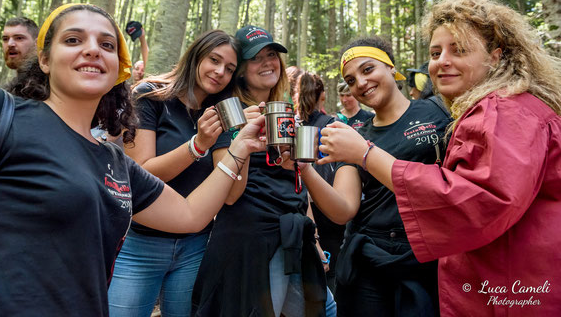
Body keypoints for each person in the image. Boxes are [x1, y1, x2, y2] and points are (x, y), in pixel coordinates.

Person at [0, 4, 267, 316]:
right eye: (73, 40)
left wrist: (240, 146)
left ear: (117, 66)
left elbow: (190, 215)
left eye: (106, 45)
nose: (93, 50)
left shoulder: (115, 163)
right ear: (44, 59)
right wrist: (197, 145)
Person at [317, 0, 561, 315]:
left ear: (496, 57)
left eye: (458, 49)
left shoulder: (501, 111)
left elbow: (475, 202)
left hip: (506, 283)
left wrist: (366, 155)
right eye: (435, 52)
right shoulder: (484, 110)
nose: (442, 61)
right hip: (401, 263)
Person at [282, 37, 451, 316]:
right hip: (371, 261)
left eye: (368, 69)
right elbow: (343, 210)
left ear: (390, 66)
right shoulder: (356, 135)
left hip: (429, 256)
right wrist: (305, 169)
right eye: (350, 80)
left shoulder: (439, 111)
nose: (359, 83)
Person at [192, 25, 335, 317]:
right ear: (241, 70)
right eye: (257, 57)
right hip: (253, 242)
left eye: (272, 54)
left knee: (327, 309)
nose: (268, 62)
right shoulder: (229, 111)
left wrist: (315, 239)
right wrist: (243, 137)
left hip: (295, 238)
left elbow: (296, 182)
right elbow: (231, 196)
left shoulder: (282, 111)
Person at [107, 30, 239, 317]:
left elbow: (228, 187)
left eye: (230, 69)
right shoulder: (150, 94)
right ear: (195, 57)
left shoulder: (222, 111)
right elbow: (140, 174)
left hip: (195, 245)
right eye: (214, 60)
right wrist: (198, 144)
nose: (220, 72)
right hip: (140, 241)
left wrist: (243, 142)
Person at [296, 72, 344, 295]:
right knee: (330, 271)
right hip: (325, 205)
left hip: (299, 204)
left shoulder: (290, 125)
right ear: (322, 95)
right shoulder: (331, 124)